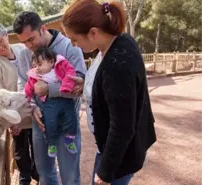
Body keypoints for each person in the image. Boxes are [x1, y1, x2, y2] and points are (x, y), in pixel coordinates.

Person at [61, 1, 157, 185]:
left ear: (93, 32)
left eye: (74, 39)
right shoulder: (118, 41)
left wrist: (105, 172)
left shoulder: (116, 63)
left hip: (119, 155)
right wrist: (88, 85)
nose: (74, 45)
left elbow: (122, 126)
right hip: (114, 147)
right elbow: (110, 88)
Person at [12, 11, 87, 185]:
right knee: (44, 174)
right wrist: (32, 105)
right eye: (23, 42)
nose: (28, 46)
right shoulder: (25, 53)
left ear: (43, 29)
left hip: (66, 123)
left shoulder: (70, 47)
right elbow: (23, 83)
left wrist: (49, 89)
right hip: (39, 124)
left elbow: (80, 85)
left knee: (70, 177)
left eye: (31, 39)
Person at [0, 20, 39, 185]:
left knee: (38, 149)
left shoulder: (22, 50)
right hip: (16, 117)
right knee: (21, 151)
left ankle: (38, 176)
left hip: (34, 110)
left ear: (6, 35)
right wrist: (11, 122)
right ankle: (24, 179)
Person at [24, 47, 78, 157]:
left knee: (71, 118)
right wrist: (26, 99)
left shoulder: (61, 65)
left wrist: (67, 85)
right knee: (49, 122)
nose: (37, 68)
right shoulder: (35, 76)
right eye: (34, 66)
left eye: (39, 64)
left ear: (51, 62)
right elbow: (28, 88)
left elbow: (70, 72)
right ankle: (52, 143)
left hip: (66, 99)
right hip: (48, 102)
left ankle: (69, 139)